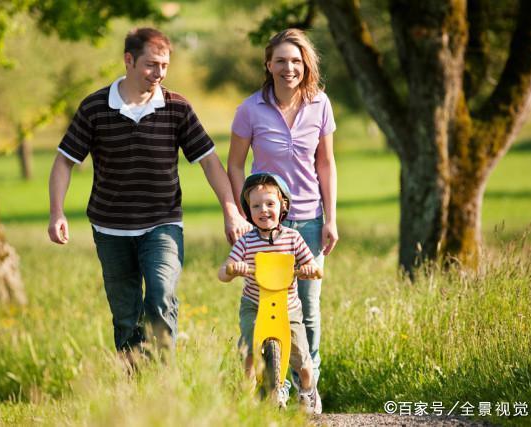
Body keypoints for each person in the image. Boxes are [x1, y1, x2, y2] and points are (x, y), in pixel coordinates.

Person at [48, 27, 250, 362]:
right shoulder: (95, 107)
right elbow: (63, 163)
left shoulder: (177, 108)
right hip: (111, 227)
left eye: (165, 66)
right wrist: (57, 212)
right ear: (128, 60)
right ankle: (136, 384)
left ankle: (162, 377)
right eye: (151, 65)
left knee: (160, 295)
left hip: (162, 223)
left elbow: (210, 163)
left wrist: (231, 211)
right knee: (126, 316)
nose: (159, 74)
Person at [228, 29, 338, 391]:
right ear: (268, 64)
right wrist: (243, 214)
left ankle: (308, 385)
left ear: (306, 64)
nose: (288, 67)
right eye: (281, 61)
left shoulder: (320, 103)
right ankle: (275, 389)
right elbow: (235, 165)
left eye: (296, 60)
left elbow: (326, 164)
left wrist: (330, 219)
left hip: (308, 219)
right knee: (264, 305)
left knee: (306, 306)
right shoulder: (249, 109)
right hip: (265, 223)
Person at [218, 173, 322, 414]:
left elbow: (314, 267)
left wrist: (309, 269)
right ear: (248, 210)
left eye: (269, 204)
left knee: (302, 359)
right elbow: (223, 272)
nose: (263, 210)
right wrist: (234, 269)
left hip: (288, 308)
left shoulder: (293, 238)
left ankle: (307, 391)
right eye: (256, 206)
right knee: (249, 351)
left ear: (283, 205)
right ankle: (248, 394)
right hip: (255, 305)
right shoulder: (246, 242)